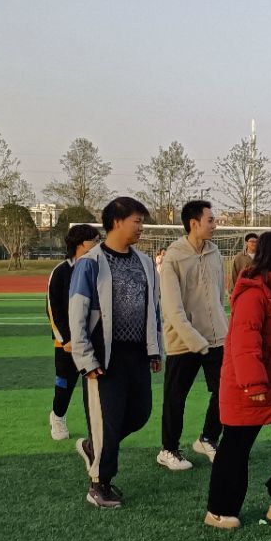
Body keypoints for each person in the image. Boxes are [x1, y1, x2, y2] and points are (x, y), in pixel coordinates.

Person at [205, 231, 271, 529]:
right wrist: (253, 383)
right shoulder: (254, 292)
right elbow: (244, 341)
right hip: (250, 388)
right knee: (236, 447)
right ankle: (219, 510)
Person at [69, 197, 163, 509]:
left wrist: (155, 349)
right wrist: (86, 359)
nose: (141, 227)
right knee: (107, 421)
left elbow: (154, 309)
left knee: (140, 413)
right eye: (137, 221)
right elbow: (77, 314)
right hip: (104, 357)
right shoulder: (90, 263)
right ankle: (99, 484)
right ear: (117, 222)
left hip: (137, 354)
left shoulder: (145, 262)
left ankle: (93, 446)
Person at [157, 200, 227, 472]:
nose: (215, 225)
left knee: (225, 392)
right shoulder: (174, 257)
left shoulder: (215, 253)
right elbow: (172, 309)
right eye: (211, 220)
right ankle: (168, 449)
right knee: (176, 397)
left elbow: (219, 297)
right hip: (183, 341)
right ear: (194, 223)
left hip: (216, 339)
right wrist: (196, 341)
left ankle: (208, 438)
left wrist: (222, 329)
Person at [46, 223, 101, 441]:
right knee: (65, 383)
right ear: (80, 244)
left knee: (96, 385)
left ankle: (98, 428)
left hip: (93, 340)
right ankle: (58, 416)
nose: (97, 244)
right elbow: (53, 309)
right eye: (94, 240)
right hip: (67, 343)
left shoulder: (98, 268)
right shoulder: (61, 272)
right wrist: (66, 339)